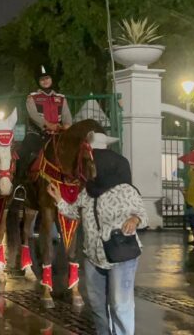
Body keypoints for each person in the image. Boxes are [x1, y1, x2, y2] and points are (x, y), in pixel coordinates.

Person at [50, 132, 147, 335]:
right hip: (93, 256)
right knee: (97, 305)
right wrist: (59, 200)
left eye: (92, 167)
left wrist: (134, 220)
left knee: (120, 304)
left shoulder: (124, 190)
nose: (89, 172)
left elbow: (142, 215)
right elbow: (74, 213)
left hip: (120, 255)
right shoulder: (88, 192)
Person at [13, 64, 72, 200]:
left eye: (47, 78)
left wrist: (67, 125)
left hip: (57, 136)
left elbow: (67, 116)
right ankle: (20, 186)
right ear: (38, 82)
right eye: (42, 79)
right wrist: (48, 125)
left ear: (51, 79)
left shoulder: (60, 98)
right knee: (23, 153)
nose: (45, 81)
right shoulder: (32, 98)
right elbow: (34, 115)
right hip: (37, 134)